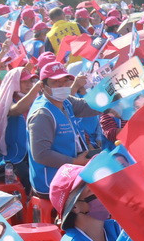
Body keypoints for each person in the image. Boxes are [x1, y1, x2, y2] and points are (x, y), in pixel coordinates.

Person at [26, 62, 98, 196]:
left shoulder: (66, 101)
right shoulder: (42, 114)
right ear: (42, 86)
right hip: (52, 183)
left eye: (66, 81)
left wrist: (114, 99)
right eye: (56, 83)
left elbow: (87, 106)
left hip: (72, 170)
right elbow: (41, 154)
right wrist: (76, 162)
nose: (63, 86)